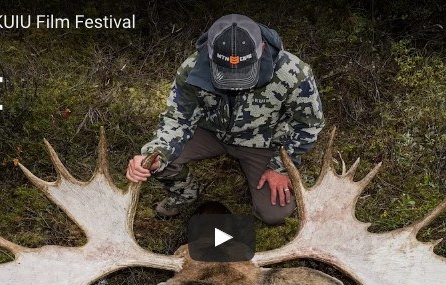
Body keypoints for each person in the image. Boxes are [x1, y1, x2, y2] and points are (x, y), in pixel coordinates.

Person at [126, 13, 324, 225]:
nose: (236, 83)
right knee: (159, 163)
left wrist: (280, 167)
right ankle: (185, 194)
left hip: (263, 142)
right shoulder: (191, 69)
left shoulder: (293, 73)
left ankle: (260, 170)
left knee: (275, 213)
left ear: (262, 49)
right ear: (210, 54)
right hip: (210, 132)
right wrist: (156, 152)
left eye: (244, 72)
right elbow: (177, 118)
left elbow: (309, 124)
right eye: (226, 72)